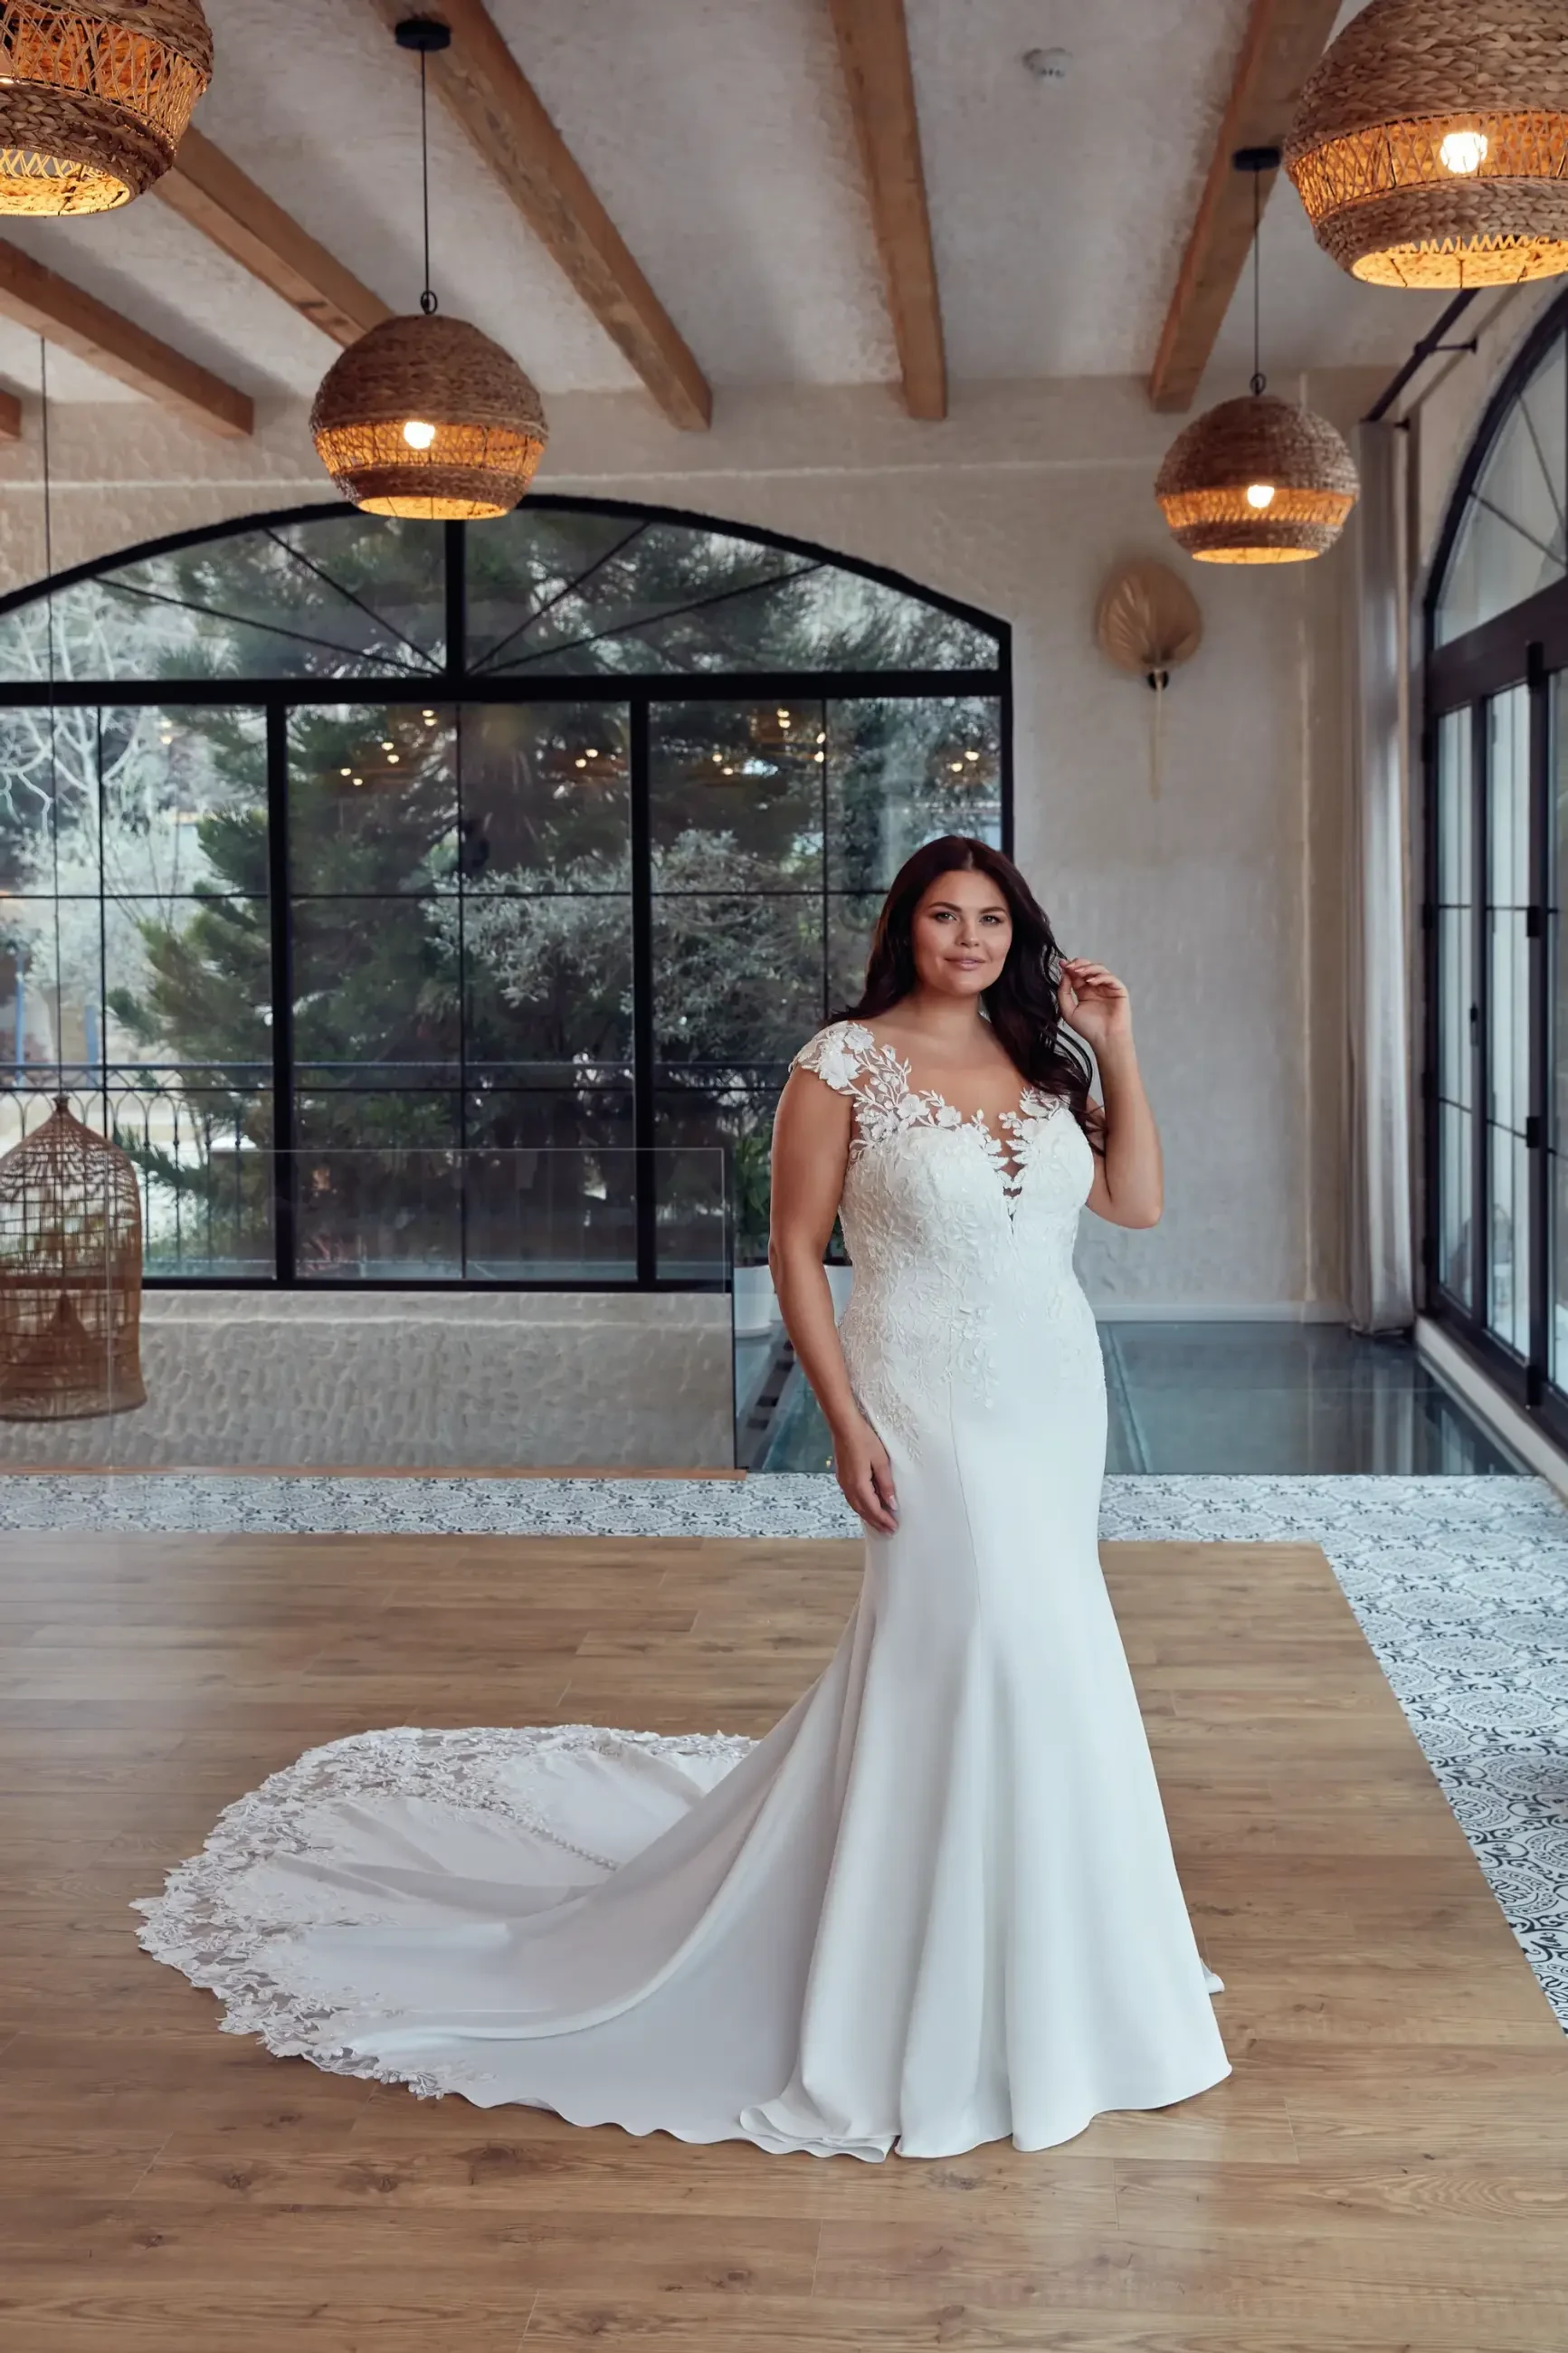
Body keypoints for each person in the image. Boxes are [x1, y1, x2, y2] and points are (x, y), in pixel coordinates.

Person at [136, 834, 1229, 2162]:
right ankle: (924, 1978)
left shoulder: (1048, 1060)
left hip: (1052, 1392)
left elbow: (1136, 1203)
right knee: (976, 1635)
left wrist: (1118, 1043)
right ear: (906, 928)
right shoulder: (843, 1063)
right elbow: (795, 1248)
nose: (970, 939)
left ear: (1021, 934)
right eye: (945, 915)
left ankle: (1062, 1969)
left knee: (1050, 1645)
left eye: (992, 918)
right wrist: (846, 1421)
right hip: (926, 1395)